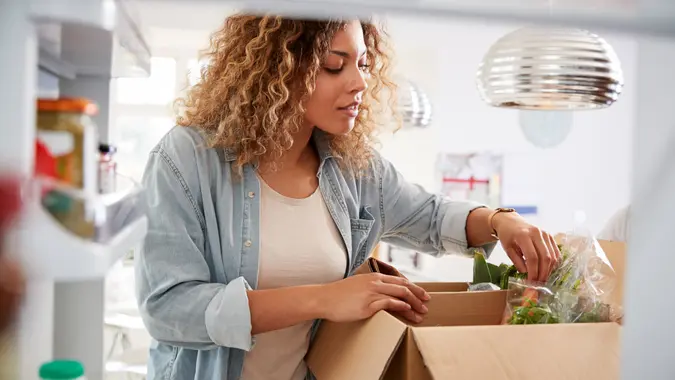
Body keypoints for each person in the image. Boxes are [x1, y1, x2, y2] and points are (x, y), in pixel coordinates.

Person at [135, 15, 561, 380]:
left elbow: (430, 217)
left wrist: (502, 221)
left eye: (362, 63)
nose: (359, 82)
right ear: (275, 69)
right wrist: (325, 298)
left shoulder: (353, 167)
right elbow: (168, 308)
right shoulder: (187, 158)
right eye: (334, 66)